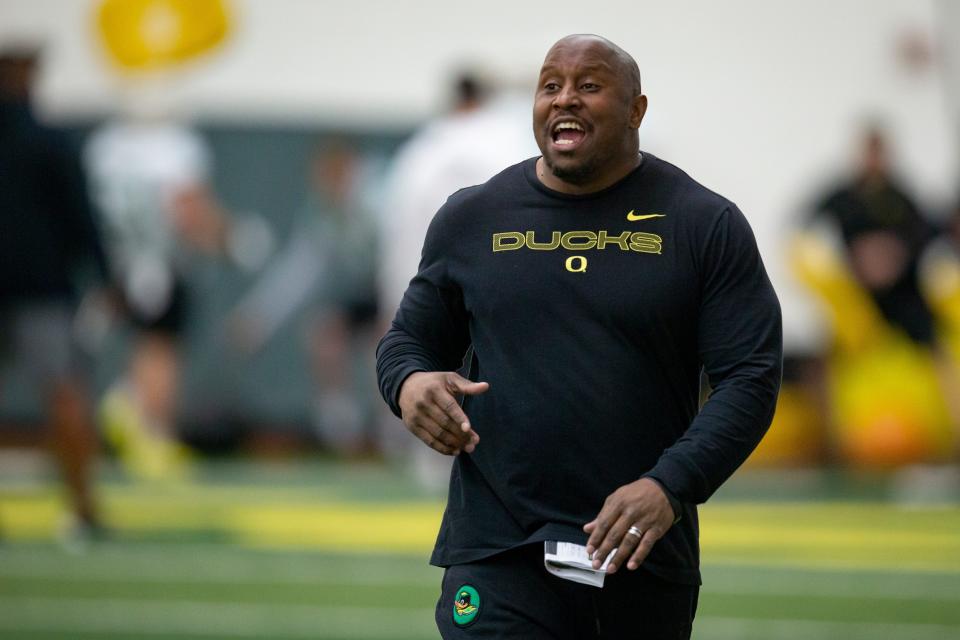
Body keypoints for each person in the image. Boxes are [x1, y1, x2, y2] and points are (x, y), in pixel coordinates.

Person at [376, 34, 782, 639]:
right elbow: (408, 341)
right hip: (497, 548)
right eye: (550, 86)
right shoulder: (473, 217)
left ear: (636, 110)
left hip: (640, 552)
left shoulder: (703, 224)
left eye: (589, 86)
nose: (565, 99)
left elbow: (750, 379)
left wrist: (669, 487)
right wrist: (408, 385)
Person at [0, 46, 112, 542]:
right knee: (66, 393)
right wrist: (105, 276)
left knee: (64, 394)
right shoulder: (48, 141)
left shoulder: (48, 141)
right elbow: (80, 218)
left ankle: (85, 506)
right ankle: (84, 508)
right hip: (42, 288)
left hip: (41, 290)